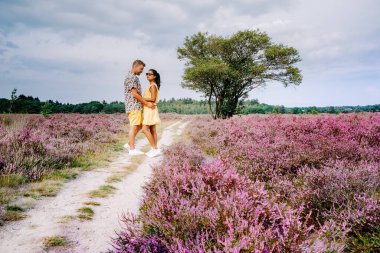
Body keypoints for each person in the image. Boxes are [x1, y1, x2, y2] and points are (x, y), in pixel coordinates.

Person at [123, 60, 156, 155]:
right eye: (141, 69)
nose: (142, 71)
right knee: (134, 127)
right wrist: (147, 103)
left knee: (140, 125)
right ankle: (132, 149)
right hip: (133, 106)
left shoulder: (134, 77)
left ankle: (129, 144)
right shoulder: (131, 77)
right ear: (135, 66)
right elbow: (135, 94)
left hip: (136, 106)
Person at [142, 69, 161, 157]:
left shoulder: (153, 86)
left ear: (154, 76)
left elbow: (153, 98)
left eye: (150, 74)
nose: (148, 75)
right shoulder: (153, 85)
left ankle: (154, 148)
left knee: (145, 129)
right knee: (152, 130)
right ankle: (154, 149)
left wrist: (141, 98)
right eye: (147, 74)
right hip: (150, 108)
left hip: (150, 109)